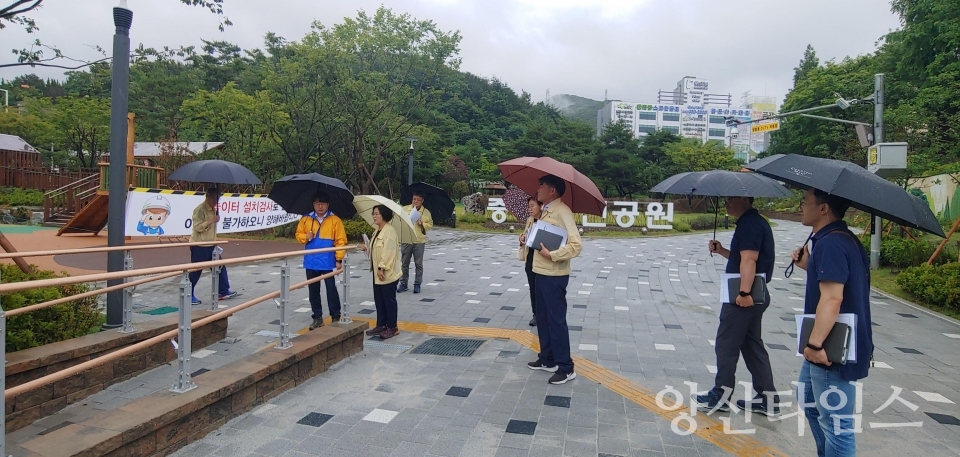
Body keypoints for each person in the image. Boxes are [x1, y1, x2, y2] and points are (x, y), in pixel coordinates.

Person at [791, 188, 872, 457]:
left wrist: (814, 344)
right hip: (832, 344)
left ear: (823, 208)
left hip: (830, 348)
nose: (801, 206)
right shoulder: (840, 239)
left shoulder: (832, 243)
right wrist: (809, 265)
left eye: (805, 202)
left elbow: (832, 299)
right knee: (808, 399)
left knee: (838, 425)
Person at [696, 196, 780, 414]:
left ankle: (721, 395)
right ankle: (767, 398)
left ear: (744, 199)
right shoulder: (753, 222)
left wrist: (743, 293)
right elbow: (743, 258)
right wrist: (722, 250)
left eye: (731, 199)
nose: (726, 203)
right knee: (752, 346)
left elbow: (749, 261)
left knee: (726, 343)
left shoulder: (750, 224)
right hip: (756, 295)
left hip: (744, 298)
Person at [526, 174, 582, 385]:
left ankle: (566, 367)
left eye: (542, 186)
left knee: (556, 321)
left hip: (554, 275)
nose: (538, 189)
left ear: (552, 191)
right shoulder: (546, 210)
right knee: (542, 317)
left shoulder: (562, 212)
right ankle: (547, 358)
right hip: (539, 271)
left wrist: (553, 255)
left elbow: (576, 245)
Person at [295, 191, 348, 330]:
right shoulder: (306, 219)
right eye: (317, 203)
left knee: (331, 289)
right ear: (313, 204)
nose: (320, 206)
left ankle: (335, 316)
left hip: (327, 261)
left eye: (323, 203)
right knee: (313, 291)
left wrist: (339, 259)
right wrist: (306, 237)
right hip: (311, 261)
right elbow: (298, 235)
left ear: (328, 204)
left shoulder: (335, 220)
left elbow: (341, 241)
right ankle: (317, 317)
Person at [188, 187, 237, 305]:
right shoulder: (199, 210)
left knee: (220, 267)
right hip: (199, 245)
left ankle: (223, 291)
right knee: (196, 271)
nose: (216, 201)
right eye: (215, 199)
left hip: (211, 245)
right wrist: (212, 221)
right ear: (208, 197)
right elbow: (197, 227)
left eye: (218, 199)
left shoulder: (213, 209)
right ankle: (188, 294)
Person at [361, 204, 402, 339]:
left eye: (376, 213)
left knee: (389, 300)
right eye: (373, 213)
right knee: (379, 299)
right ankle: (381, 324)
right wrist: (367, 248)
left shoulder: (389, 231)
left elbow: (389, 252)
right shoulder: (377, 230)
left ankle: (392, 327)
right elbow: (375, 249)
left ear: (384, 215)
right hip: (377, 273)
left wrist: (381, 268)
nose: (374, 216)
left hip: (386, 273)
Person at [399, 192, 433, 294]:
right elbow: (399, 221)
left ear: (422, 201)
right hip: (406, 240)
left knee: (418, 264)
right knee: (404, 263)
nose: (415, 201)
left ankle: (417, 284)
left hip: (419, 241)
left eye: (418, 200)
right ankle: (403, 283)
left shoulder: (426, 212)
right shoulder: (405, 209)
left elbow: (430, 225)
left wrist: (422, 223)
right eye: (414, 199)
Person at [517, 197, 542, 327]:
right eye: (529, 206)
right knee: (533, 288)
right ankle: (536, 315)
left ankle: (543, 314)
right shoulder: (530, 220)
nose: (530, 209)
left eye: (532, 206)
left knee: (541, 288)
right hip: (530, 257)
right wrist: (522, 239)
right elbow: (525, 234)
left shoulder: (546, 221)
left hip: (542, 259)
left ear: (541, 206)